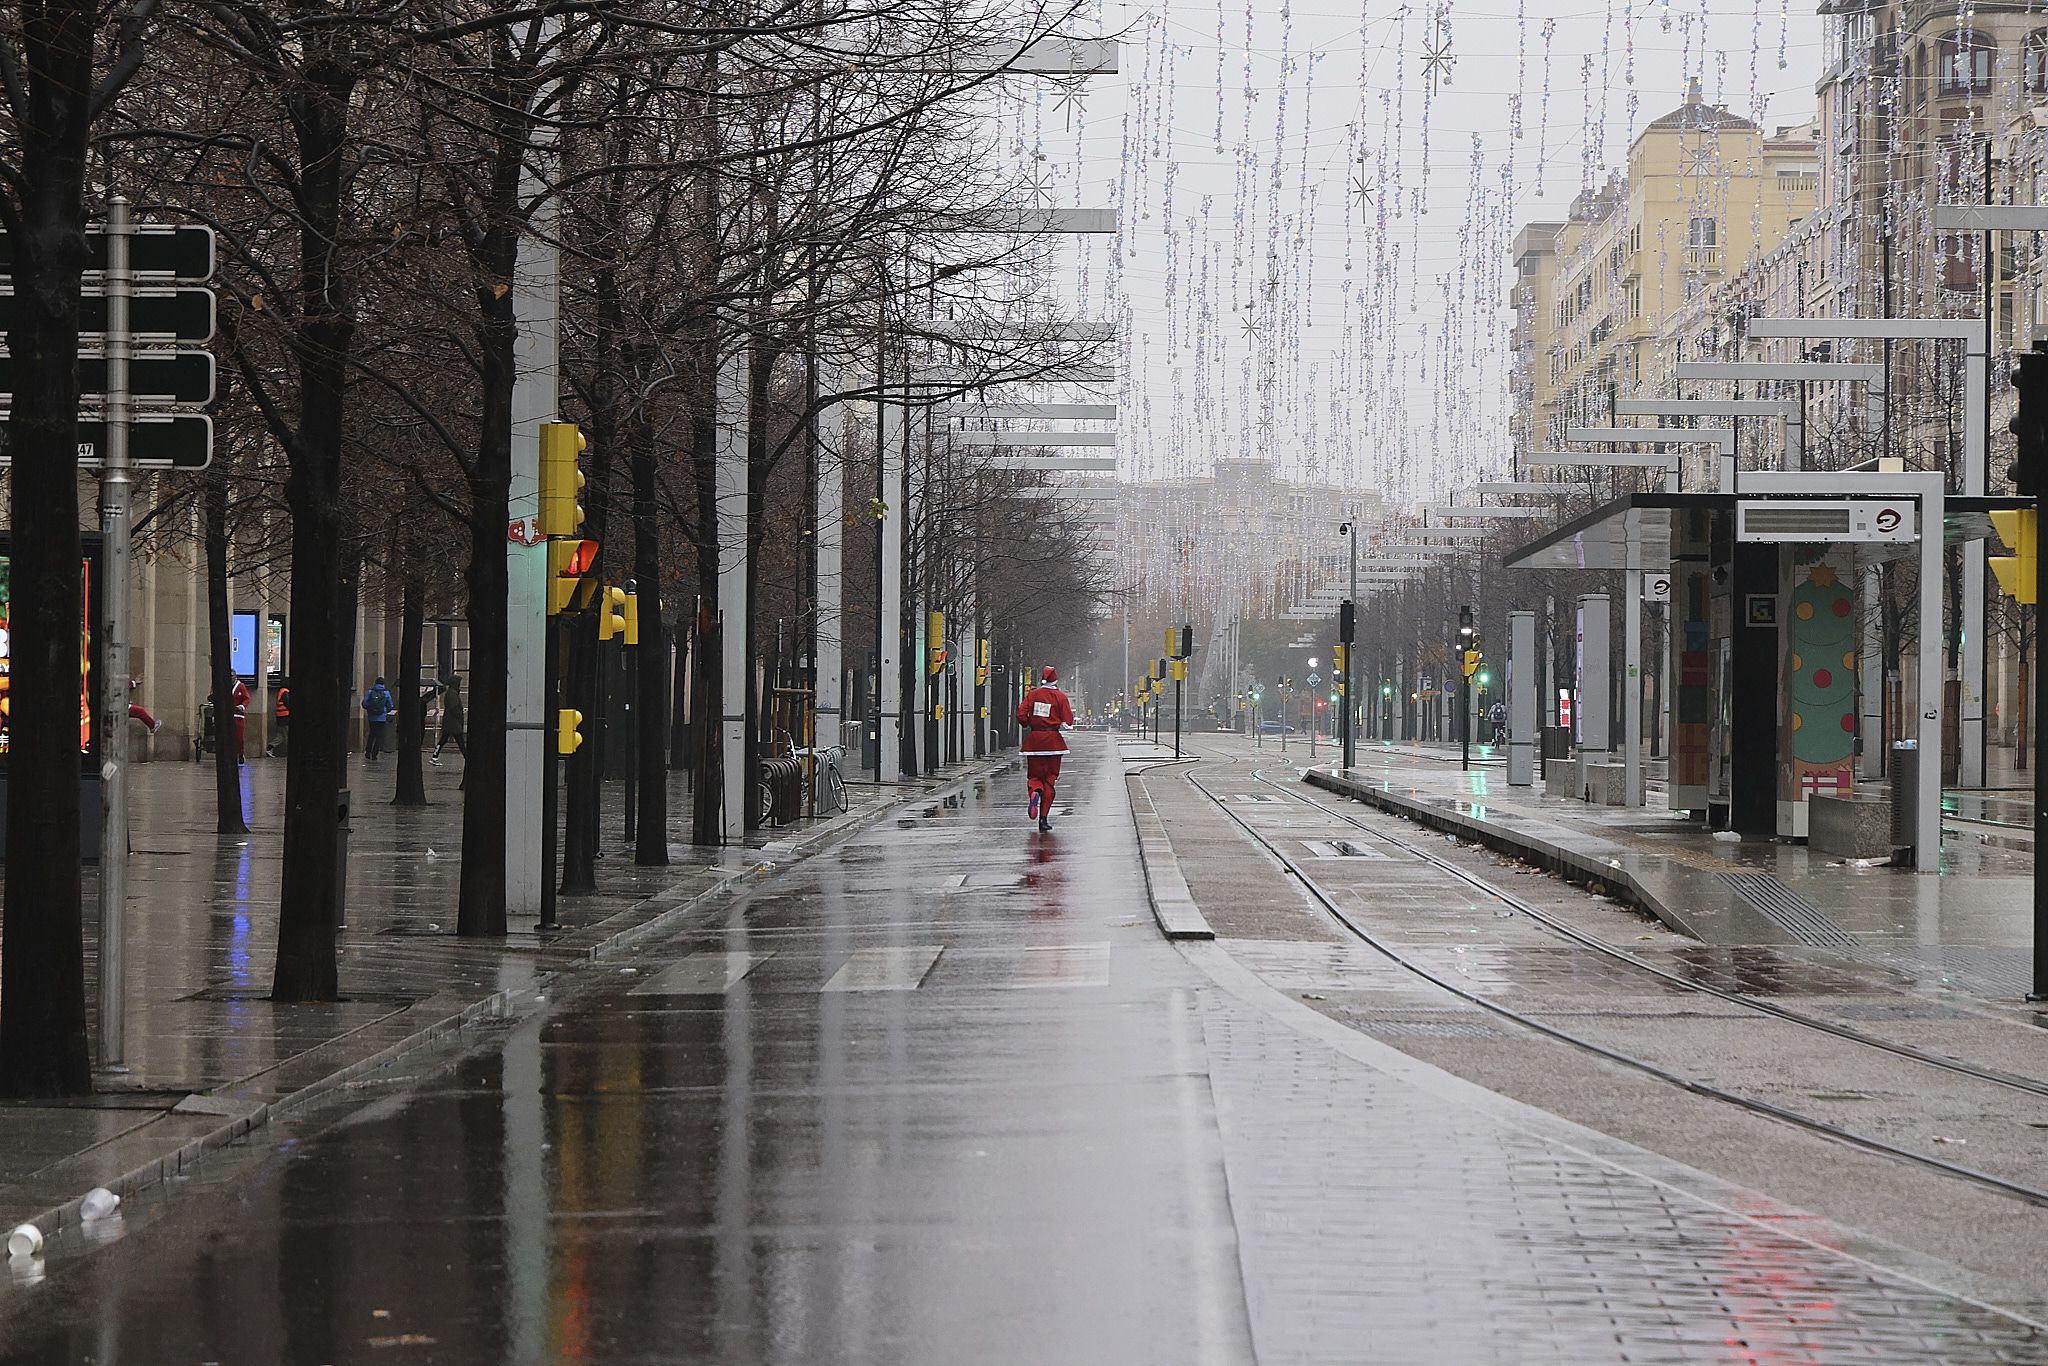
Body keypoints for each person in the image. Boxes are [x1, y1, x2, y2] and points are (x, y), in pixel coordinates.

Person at [1015, 664, 1074, 833]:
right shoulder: (1060, 697)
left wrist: (1027, 723)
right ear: (1056, 679)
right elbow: (1068, 721)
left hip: (1034, 741)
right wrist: (1061, 723)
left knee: (1034, 776)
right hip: (1054, 743)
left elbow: (1021, 713)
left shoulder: (1033, 695)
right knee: (1050, 778)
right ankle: (1043, 818)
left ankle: (1035, 791)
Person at [432, 676, 466, 764]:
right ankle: (467, 757)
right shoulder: (452, 694)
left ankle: (435, 756)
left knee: (444, 740)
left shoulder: (451, 693)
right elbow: (454, 708)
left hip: (450, 722)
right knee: (460, 742)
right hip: (453, 722)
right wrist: (460, 715)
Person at [361, 676, 395, 760]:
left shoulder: (369, 692)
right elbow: (390, 706)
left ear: (375, 683)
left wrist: (370, 709)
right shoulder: (386, 693)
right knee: (379, 736)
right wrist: (384, 711)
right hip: (381, 718)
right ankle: (374, 754)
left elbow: (364, 704)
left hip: (372, 717)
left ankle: (368, 752)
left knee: (372, 734)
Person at [230, 677, 252, 764]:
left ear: (235, 676)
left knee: (239, 737)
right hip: (226, 715)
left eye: (232, 675)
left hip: (238, 715)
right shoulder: (224, 685)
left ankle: (240, 753)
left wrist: (242, 706)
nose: (230, 677)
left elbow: (247, 698)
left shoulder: (241, 686)